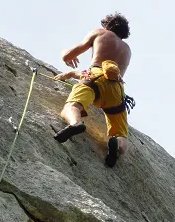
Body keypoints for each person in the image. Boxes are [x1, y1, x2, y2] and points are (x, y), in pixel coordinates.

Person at [54, 13, 133, 168]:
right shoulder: (127, 50)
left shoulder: (100, 33)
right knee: (120, 134)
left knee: (72, 106)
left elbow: (69, 56)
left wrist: (64, 53)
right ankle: (117, 145)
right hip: (117, 89)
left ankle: (75, 123)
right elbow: (108, 74)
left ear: (107, 25)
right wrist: (70, 74)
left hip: (94, 78)